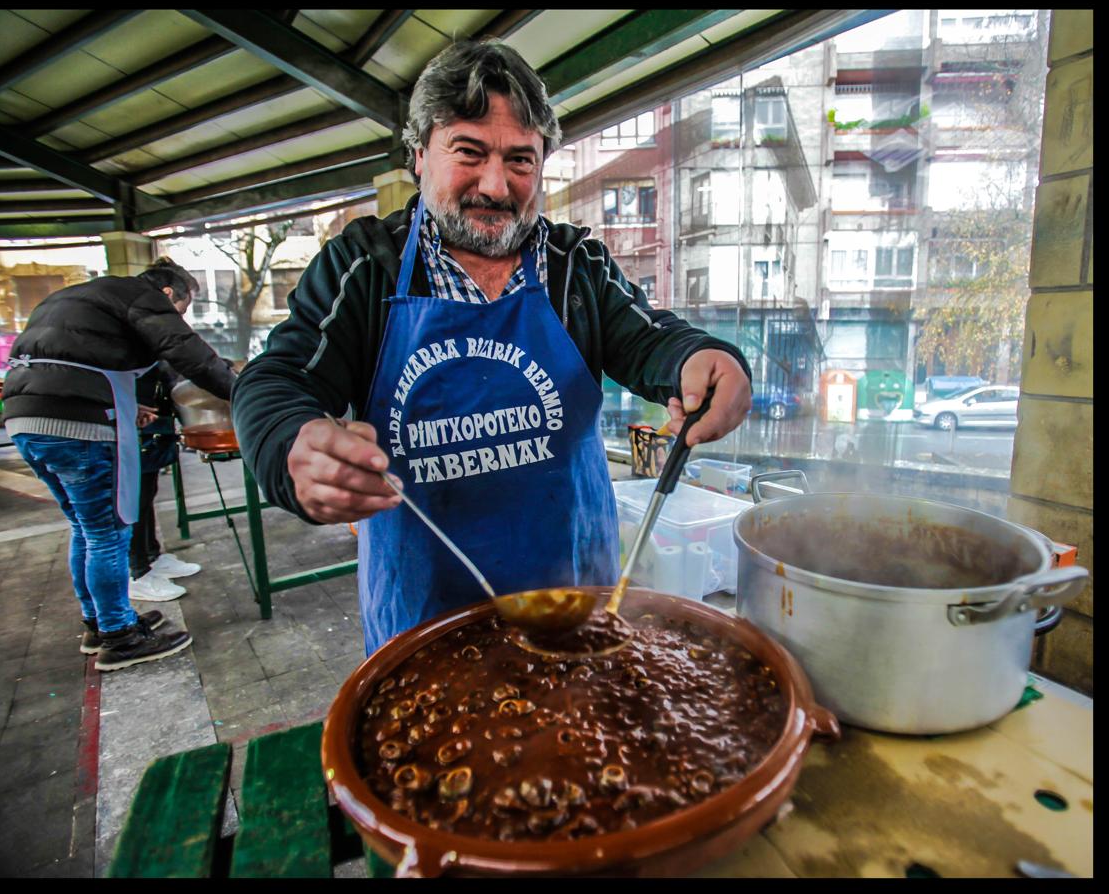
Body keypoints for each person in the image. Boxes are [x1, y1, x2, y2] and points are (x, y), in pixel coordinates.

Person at [231, 41, 753, 656]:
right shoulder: (363, 266)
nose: (497, 184)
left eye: (521, 161)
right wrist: (290, 443)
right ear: (419, 155)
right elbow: (277, 379)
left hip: (576, 609)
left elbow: (652, 338)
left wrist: (704, 361)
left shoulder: (572, 265)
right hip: (423, 624)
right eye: (469, 153)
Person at [2, 257, 237, 672]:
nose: (178, 317)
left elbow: (70, 366)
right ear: (168, 293)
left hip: (26, 419)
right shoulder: (143, 298)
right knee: (109, 534)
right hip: (78, 428)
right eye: (181, 309)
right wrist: (246, 393)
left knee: (85, 528)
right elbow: (188, 354)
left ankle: (99, 623)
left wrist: (123, 407)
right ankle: (119, 636)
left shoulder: (75, 296)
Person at [127, 360, 204, 602]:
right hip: (132, 419)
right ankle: (136, 573)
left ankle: (151, 556)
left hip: (151, 418)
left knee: (146, 493)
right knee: (134, 500)